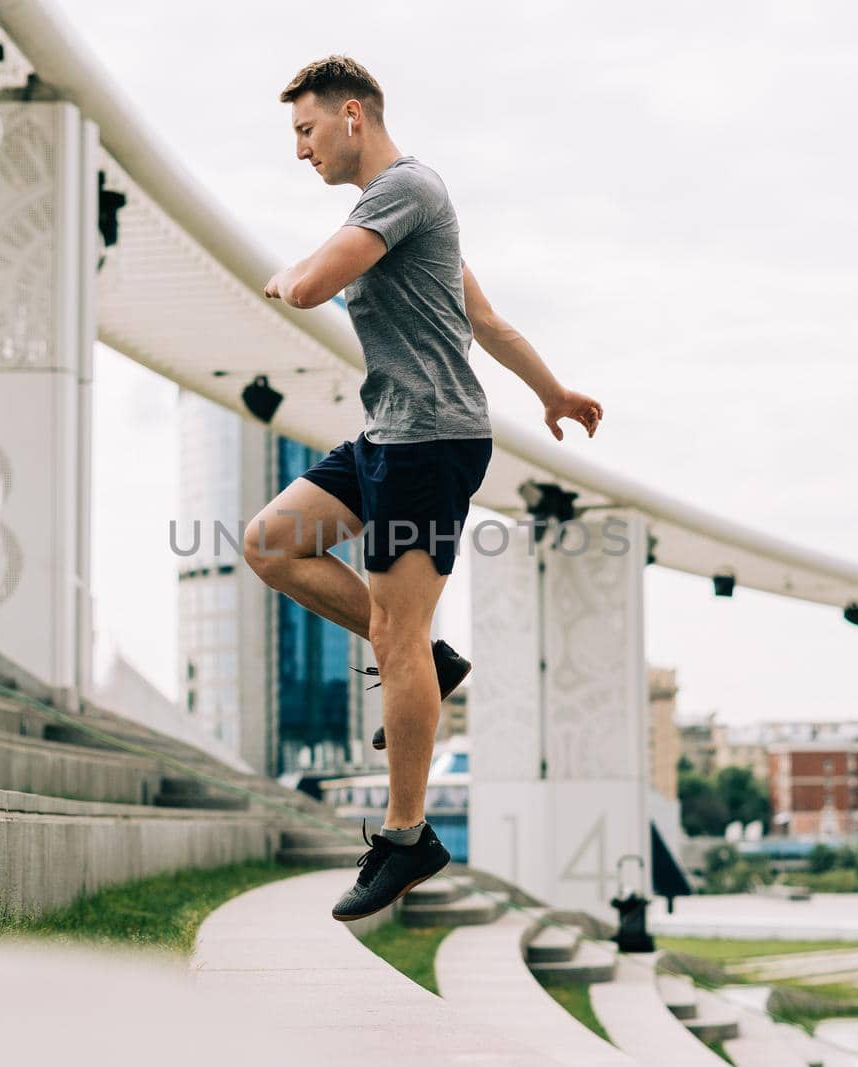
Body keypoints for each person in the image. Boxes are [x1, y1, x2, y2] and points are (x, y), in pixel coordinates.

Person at [245, 55, 603, 922]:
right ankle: (431, 666)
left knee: (394, 631)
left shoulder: (408, 190)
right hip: (388, 434)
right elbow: (485, 318)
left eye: (306, 130)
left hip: (431, 442)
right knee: (271, 542)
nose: (301, 151)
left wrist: (286, 277)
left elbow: (313, 283)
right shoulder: (396, 213)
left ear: (352, 115)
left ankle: (408, 838)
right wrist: (551, 392)